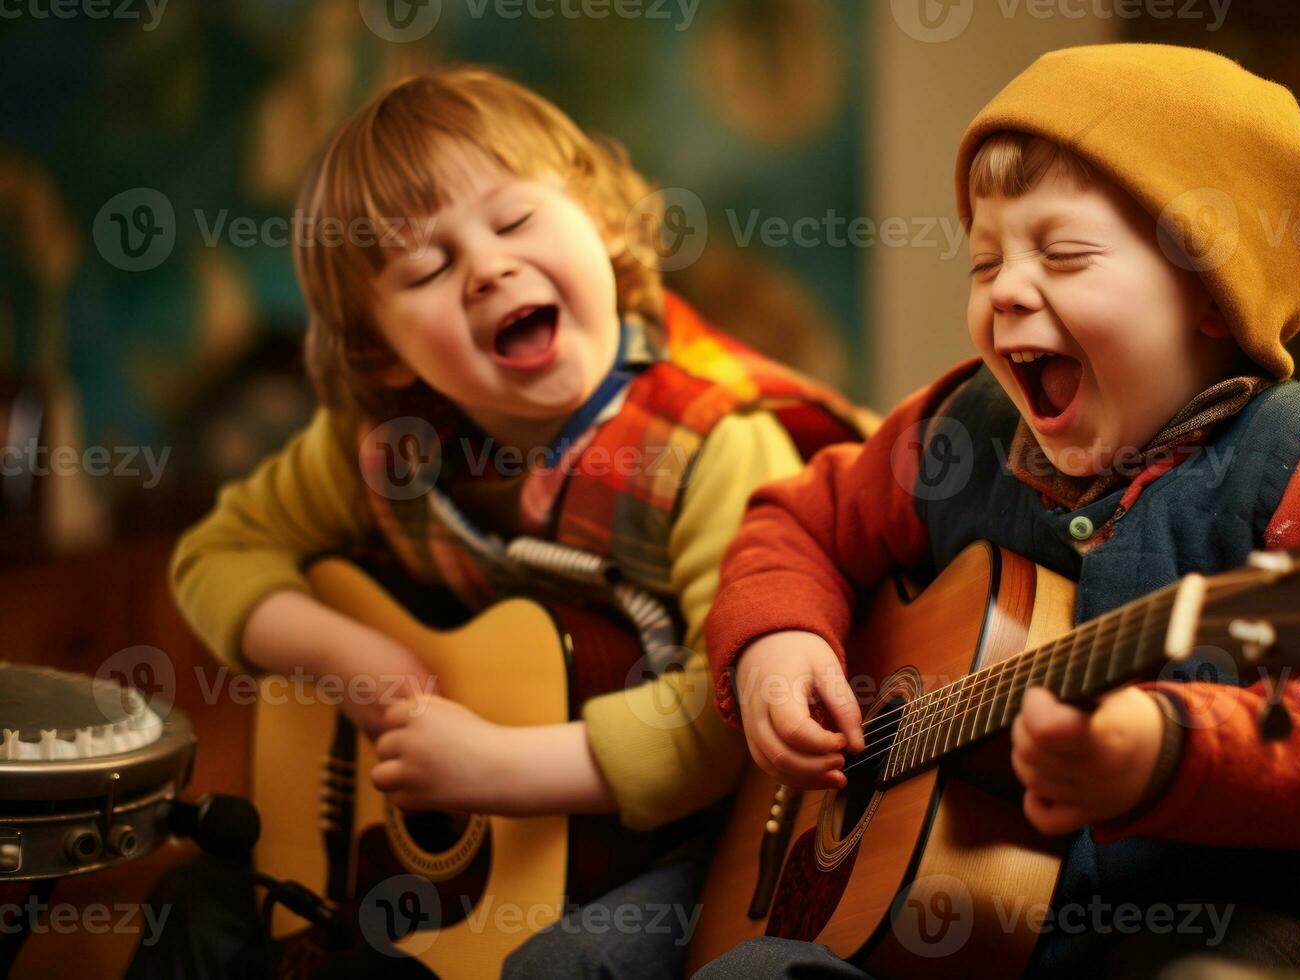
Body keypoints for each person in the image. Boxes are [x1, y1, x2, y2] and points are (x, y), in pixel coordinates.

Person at [699, 44, 1300, 979]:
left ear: (1210, 291)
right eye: (984, 261)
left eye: (1063, 254)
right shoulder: (960, 425)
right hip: (946, 922)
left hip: (1216, 927)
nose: (1006, 288)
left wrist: (1163, 753)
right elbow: (794, 523)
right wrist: (776, 643)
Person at [145, 65, 868, 979]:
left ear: (601, 224)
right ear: (382, 351)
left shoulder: (717, 445)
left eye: (516, 220)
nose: (488, 267)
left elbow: (724, 710)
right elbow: (217, 553)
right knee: (200, 910)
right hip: (482, 855)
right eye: (427, 268)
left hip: (702, 839)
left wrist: (497, 769)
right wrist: (346, 657)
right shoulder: (379, 445)